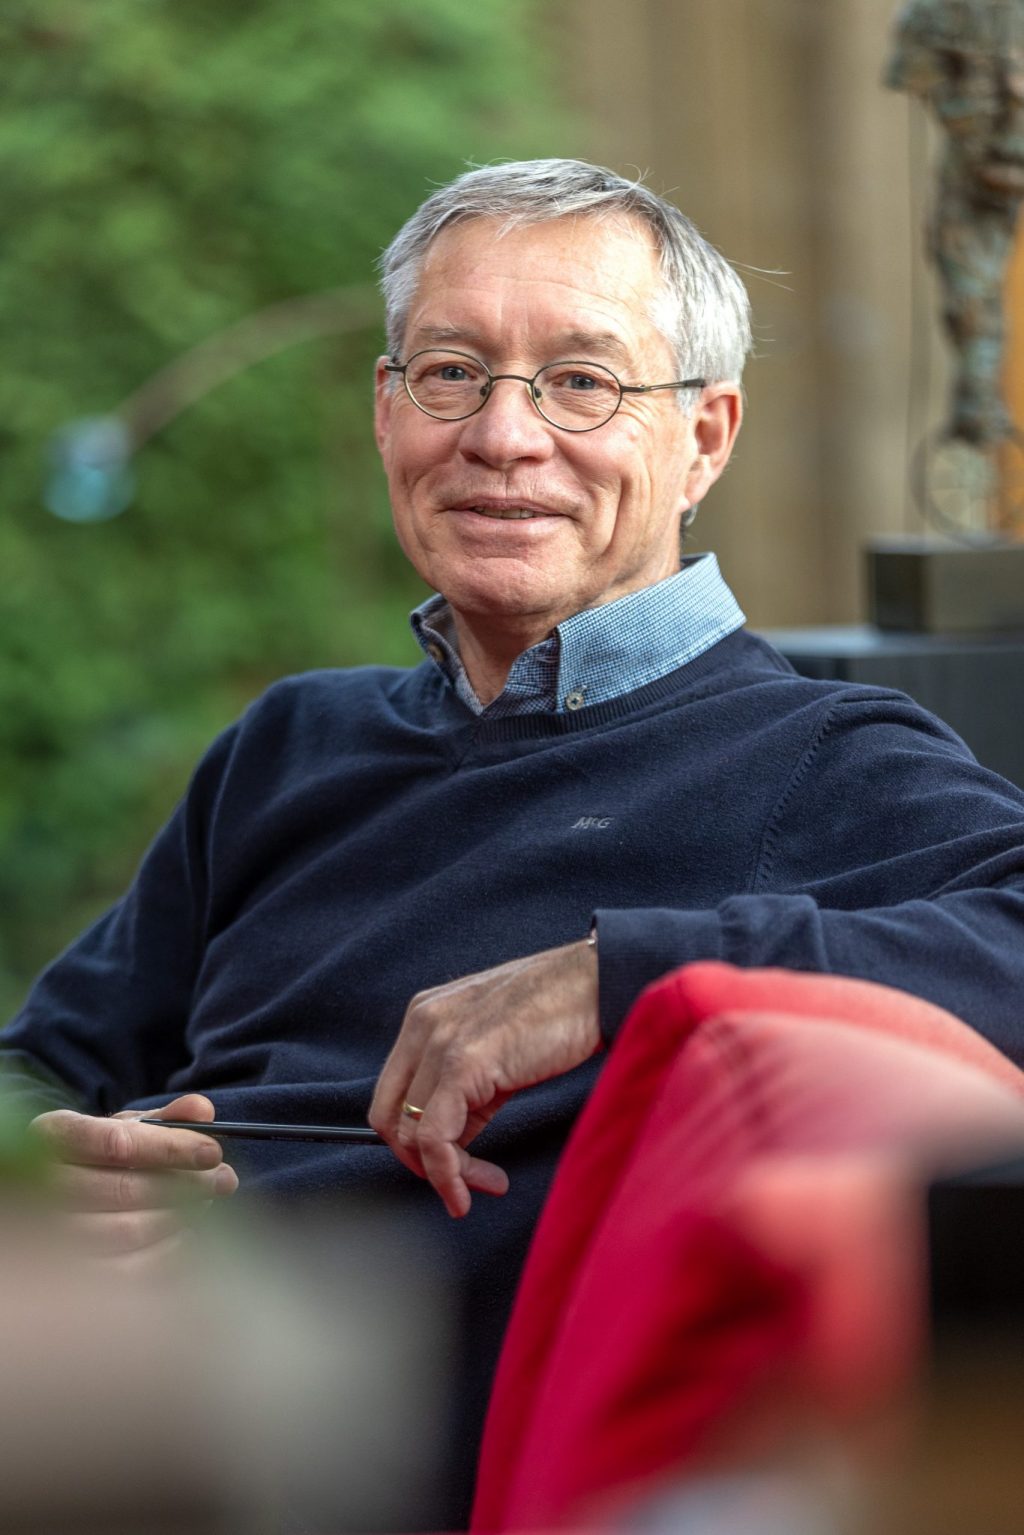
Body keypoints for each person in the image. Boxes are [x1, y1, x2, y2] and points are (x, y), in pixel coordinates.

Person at [5, 156, 1024, 1521]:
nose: (501, 435)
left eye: (581, 383)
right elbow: (44, 1057)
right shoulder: (292, 745)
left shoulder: (814, 762)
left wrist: (614, 976)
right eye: (451, 374)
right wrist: (50, 1169)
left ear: (705, 438)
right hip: (116, 1410)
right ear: (387, 413)